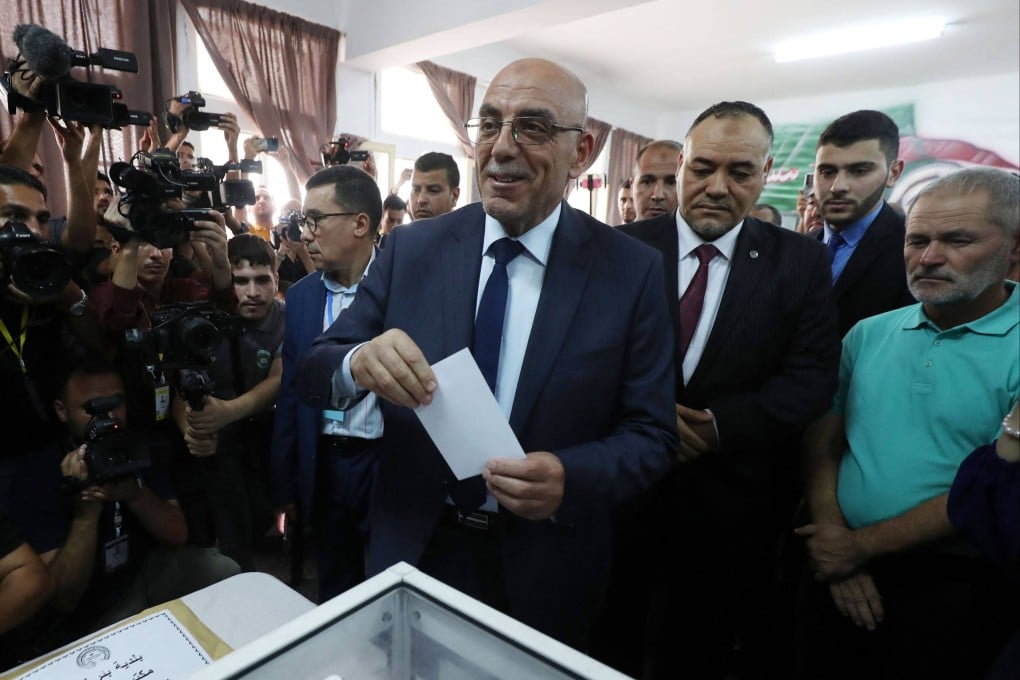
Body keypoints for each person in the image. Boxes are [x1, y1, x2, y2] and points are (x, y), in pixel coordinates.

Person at [294, 58, 676, 649]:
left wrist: (571, 477)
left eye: (533, 127)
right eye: (490, 124)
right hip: (411, 554)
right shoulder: (411, 249)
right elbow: (317, 366)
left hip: (547, 566)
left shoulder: (631, 270)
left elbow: (652, 435)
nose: (502, 148)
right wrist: (357, 360)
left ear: (583, 151)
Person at [614, 101, 840, 678]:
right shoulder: (621, 247)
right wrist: (650, 415)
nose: (717, 187)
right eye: (702, 168)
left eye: (740, 173)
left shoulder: (802, 263)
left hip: (731, 513)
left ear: (767, 174)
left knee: (697, 651)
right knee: (609, 640)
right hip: (619, 499)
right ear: (682, 164)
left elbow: (812, 379)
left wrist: (719, 427)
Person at [796, 167, 1020, 679]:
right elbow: (824, 437)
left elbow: (995, 484)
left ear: (1014, 248)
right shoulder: (867, 334)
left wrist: (853, 549)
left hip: (958, 583)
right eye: (916, 240)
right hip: (834, 567)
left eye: (957, 240)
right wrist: (831, 533)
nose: (929, 257)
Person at [5, 359, 239, 659]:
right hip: (83, 617)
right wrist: (86, 514)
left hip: (136, 575)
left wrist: (134, 494)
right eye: (92, 408)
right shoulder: (39, 475)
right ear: (62, 410)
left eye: (115, 404)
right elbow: (63, 598)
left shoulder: (135, 447)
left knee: (223, 570)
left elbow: (178, 534)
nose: (108, 417)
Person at [270, 165, 382, 602]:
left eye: (316, 220)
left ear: (360, 223)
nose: (306, 234)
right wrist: (285, 484)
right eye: (302, 221)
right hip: (325, 459)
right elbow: (291, 395)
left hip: (384, 461)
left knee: (389, 574)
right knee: (335, 581)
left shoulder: (402, 289)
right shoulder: (301, 298)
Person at [175, 235, 284, 572]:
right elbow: (177, 384)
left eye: (262, 280)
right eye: (241, 281)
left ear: (276, 279)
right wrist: (193, 432)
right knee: (230, 523)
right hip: (218, 440)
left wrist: (227, 412)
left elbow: (280, 379)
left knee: (266, 508)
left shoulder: (285, 316)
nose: (253, 292)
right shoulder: (202, 320)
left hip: (264, 431)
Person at [810, 110, 916, 337]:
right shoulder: (797, 248)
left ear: (894, 173)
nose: (837, 186)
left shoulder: (913, 250)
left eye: (859, 171)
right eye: (827, 171)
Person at [632, 139, 681, 220]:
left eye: (672, 183)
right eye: (647, 182)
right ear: (632, 185)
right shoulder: (610, 233)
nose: (658, 195)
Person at [409, 151, 460, 221]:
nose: (421, 200)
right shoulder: (399, 231)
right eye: (416, 190)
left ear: (454, 196)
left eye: (433, 190)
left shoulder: (470, 231)